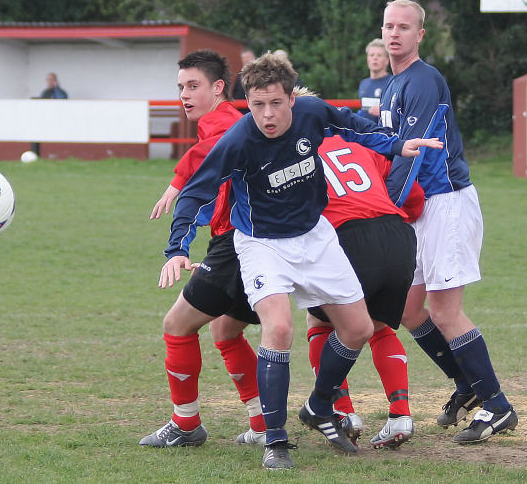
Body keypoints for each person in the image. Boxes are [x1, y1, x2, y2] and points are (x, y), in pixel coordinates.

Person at [161, 52, 442, 469]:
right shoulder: (238, 141)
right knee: (278, 327)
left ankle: (318, 404)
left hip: (315, 236)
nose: (268, 114)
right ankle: (275, 440)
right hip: (262, 245)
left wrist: (399, 145)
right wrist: (178, 249)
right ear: (247, 103)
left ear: (292, 99)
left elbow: (356, 126)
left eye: (276, 103)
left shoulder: (311, 112)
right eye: (257, 105)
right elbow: (196, 192)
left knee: (359, 328)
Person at [381, 0, 518, 444]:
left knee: (444, 310)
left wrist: (384, 210)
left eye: (404, 26)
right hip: (419, 208)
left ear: (421, 34)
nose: (394, 33)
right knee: (408, 309)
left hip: (445, 203)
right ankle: (468, 385)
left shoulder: (424, 80)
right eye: (389, 25)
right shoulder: (392, 85)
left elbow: (415, 155)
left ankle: (496, 404)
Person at [140, 49, 266, 449]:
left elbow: (209, 152)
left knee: (176, 325)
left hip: (235, 243)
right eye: (180, 88)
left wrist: (179, 181)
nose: (184, 94)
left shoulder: (225, 119)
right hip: (252, 241)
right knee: (226, 328)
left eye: (193, 86)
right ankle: (263, 424)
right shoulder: (225, 122)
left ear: (217, 88)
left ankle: (186, 424)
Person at [306, 129, 425, 450]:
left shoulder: (294, 151)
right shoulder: (355, 144)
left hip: (348, 238)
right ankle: (401, 416)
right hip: (397, 235)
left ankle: (342, 412)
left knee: (321, 322)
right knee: (378, 326)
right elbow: (411, 194)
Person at [356, 39, 391, 123]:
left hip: (384, 134)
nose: (375, 58)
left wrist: (382, 112)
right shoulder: (363, 83)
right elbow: (364, 111)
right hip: (365, 133)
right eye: (371, 55)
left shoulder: (394, 83)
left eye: (379, 55)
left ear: (387, 60)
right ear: (367, 59)